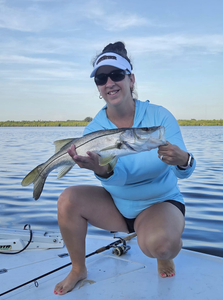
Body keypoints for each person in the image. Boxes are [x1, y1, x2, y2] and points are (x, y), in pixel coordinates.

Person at [54, 41, 196, 295]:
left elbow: (183, 172)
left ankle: (161, 252)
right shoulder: (94, 129)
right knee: (67, 200)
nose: (109, 82)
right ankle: (78, 268)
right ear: (98, 87)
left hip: (160, 203)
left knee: (161, 245)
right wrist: (102, 171)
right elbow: (116, 179)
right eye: (101, 78)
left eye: (117, 75)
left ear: (131, 79)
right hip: (117, 205)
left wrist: (184, 160)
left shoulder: (159, 117)